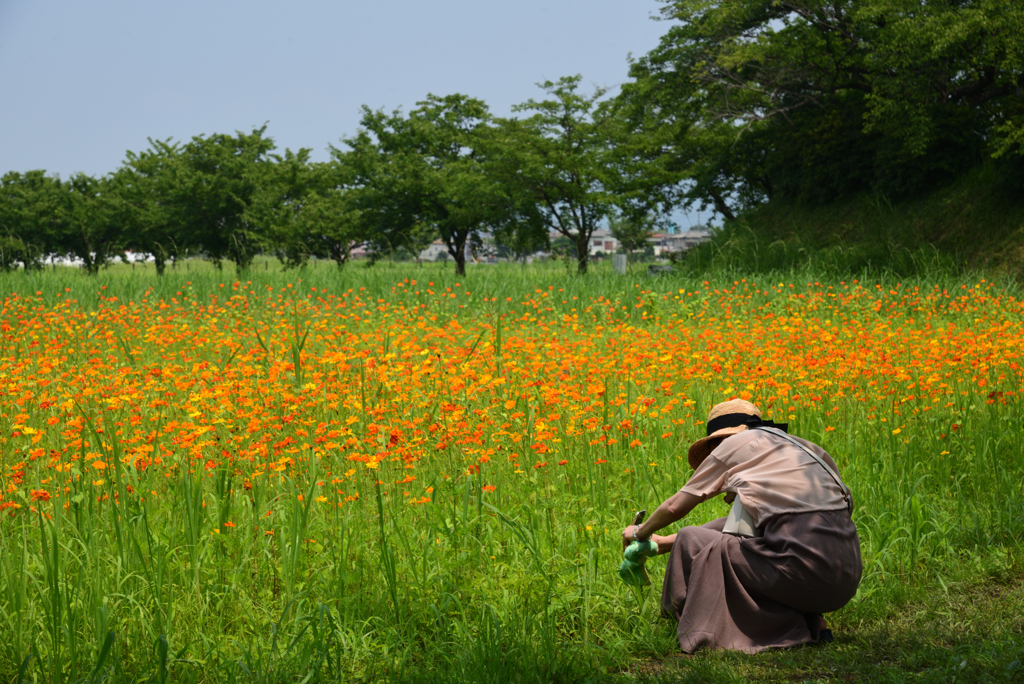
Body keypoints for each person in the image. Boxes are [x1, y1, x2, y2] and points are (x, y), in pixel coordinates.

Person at [622, 399, 862, 653]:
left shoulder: (735, 444)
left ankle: (691, 624)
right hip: (845, 576)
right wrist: (663, 542)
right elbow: (829, 515)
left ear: (719, 442)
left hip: (802, 571)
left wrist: (639, 532)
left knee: (693, 538)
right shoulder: (806, 448)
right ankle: (812, 620)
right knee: (737, 537)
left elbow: (674, 507)